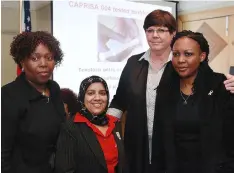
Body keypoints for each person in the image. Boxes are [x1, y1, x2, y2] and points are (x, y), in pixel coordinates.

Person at [106, 9, 234, 173]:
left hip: (172, 151)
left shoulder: (182, 67)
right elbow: (120, 100)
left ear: (173, 34)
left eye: (161, 30)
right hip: (138, 146)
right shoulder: (133, 63)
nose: (155, 35)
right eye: (150, 30)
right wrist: (103, 125)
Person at [152, 30, 234, 173]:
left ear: (202, 56)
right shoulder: (166, 89)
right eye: (176, 54)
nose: (180, 60)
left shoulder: (220, 85)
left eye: (188, 54)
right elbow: (160, 140)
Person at [1, 31, 65, 173]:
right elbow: (2, 153)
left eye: (49, 57)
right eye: (35, 58)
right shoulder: (8, 95)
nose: (44, 64)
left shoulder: (54, 88)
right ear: (22, 61)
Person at [55, 76, 127, 173]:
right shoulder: (70, 128)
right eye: (90, 93)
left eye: (102, 93)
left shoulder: (115, 123)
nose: (97, 98)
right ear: (82, 97)